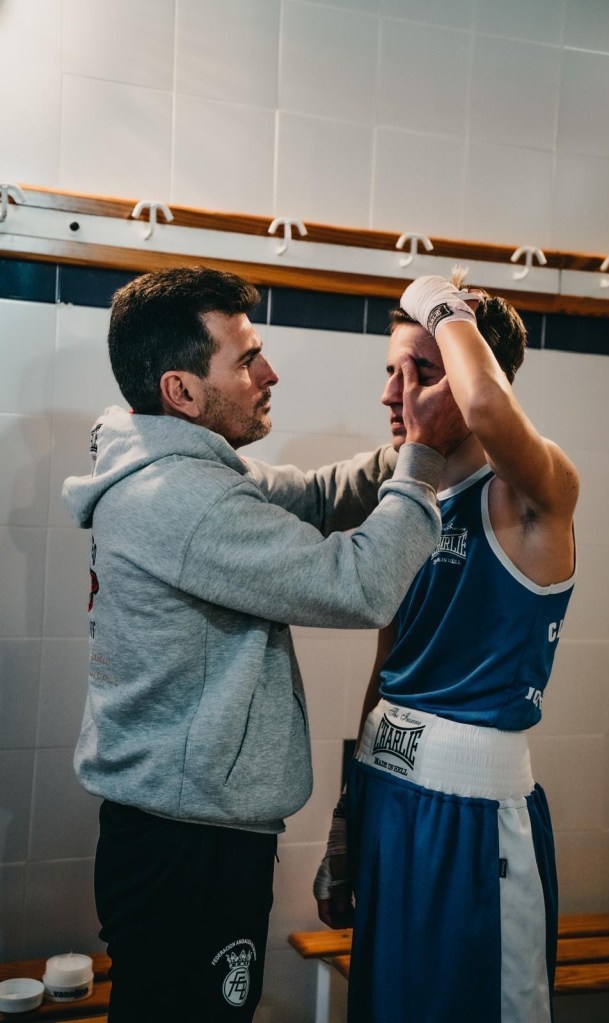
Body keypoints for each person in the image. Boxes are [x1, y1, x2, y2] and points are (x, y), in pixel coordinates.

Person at [61, 266, 465, 1023]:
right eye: (246, 360)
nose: (269, 373)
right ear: (182, 391)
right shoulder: (182, 500)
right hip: (190, 850)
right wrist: (425, 460)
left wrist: (409, 443)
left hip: (177, 832)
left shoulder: (177, 465)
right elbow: (360, 586)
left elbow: (313, 497)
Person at [315, 272, 579, 1023]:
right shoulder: (407, 502)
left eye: (421, 372)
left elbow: (490, 407)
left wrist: (435, 294)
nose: (392, 394)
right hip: (385, 795)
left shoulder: (534, 492)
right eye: (390, 371)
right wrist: (347, 812)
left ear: (471, 375)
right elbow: (388, 661)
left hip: (472, 818)